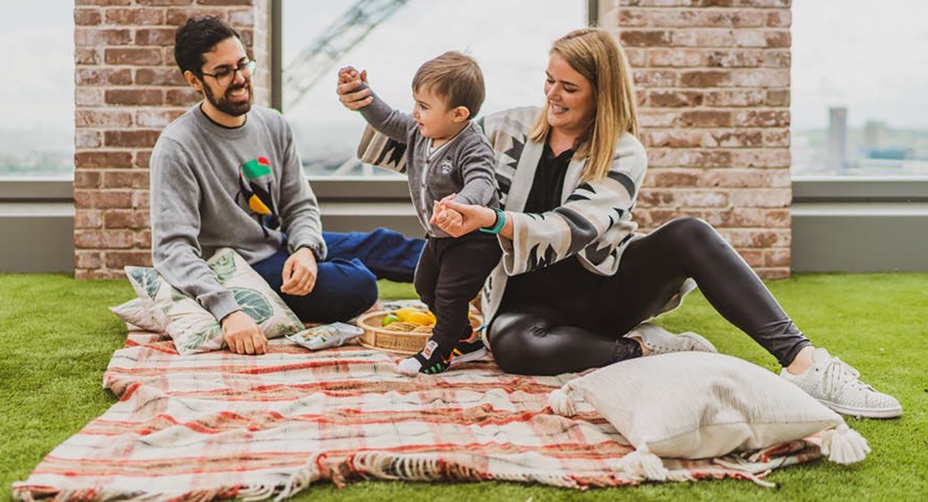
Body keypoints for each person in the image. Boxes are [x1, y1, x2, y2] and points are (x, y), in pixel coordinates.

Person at [339, 28, 902, 419]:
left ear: (600, 92)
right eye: (548, 80)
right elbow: (425, 147)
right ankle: (646, 352)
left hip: (604, 288)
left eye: (568, 86)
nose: (551, 95)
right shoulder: (505, 128)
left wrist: (489, 218)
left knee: (689, 232)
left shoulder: (624, 152)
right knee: (512, 347)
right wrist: (367, 104)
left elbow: (575, 226)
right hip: (525, 301)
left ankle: (805, 364)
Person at [149, 16, 424, 355]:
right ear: (194, 80)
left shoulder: (273, 123)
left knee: (384, 244)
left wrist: (306, 249)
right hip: (241, 266)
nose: (239, 79)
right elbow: (171, 249)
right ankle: (329, 274)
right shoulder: (177, 147)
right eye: (223, 72)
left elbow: (299, 205)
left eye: (242, 65)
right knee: (359, 285)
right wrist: (228, 311)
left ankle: (477, 277)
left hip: (280, 244)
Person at [337, 52, 501, 375]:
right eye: (416, 103)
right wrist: (363, 93)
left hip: (474, 238)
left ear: (459, 114)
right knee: (425, 285)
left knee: (450, 294)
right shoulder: (418, 131)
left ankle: (439, 351)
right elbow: (386, 119)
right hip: (438, 235)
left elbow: (482, 180)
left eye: (424, 106)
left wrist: (461, 205)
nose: (415, 112)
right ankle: (466, 339)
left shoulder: (471, 145)